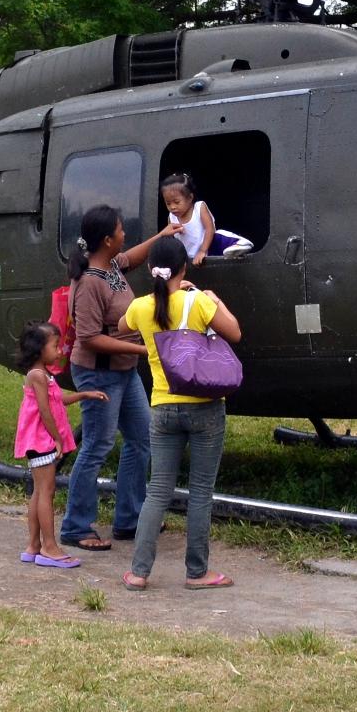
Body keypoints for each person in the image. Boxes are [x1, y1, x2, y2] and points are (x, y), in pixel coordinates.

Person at [121, 234, 242, 591]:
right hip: (205, 408)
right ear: (184, 268)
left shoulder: (141, 307)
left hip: (162, 406)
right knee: (201, 492)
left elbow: (123, 327)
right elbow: (234, 332)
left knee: (157, 490)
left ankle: (139, 572)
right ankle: (197, 572)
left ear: (149, 268)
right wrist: (210, 297)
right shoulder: (197, 302)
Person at [59, 204, 163, 554]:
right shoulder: (89, 282)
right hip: (98, 374)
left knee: (141, 437)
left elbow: (131, 256)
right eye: (120, 230)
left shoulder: (112, 267)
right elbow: (88, 337)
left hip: (122, 371)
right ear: (106, 239)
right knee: (97, 446)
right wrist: (142, 350)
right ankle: (75, 525)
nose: (124, 235)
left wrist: (163, 236)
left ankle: (129, 518)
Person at [12, 320, 107, 569]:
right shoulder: (37, 375)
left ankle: (33, 545)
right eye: (55, 346)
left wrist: (84, 394)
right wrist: (56, 438)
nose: (59, 350)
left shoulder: (44, 374)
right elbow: (45, 410)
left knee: (39, 491)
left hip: (41, 439)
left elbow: (57, 401)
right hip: (42, 439)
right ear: (39, 349)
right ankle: (49, 547)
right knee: (47, 492)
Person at [157, 172, 253, 266]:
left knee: (218, 234)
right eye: (168, 203)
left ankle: (238, 244)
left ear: (190, 198)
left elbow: (210, 229)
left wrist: (202, 250)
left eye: (177, 202)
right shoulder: (171, 217)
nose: (172, 207)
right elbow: (173, 240)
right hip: (190, 256)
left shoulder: (199, 208)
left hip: (209, 248)